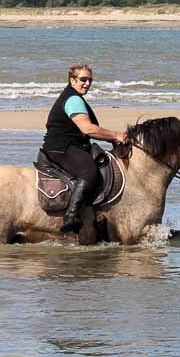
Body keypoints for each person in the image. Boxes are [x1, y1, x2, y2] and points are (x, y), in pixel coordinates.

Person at [41, 64, 128, 233]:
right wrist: (116, 135)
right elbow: (88, 129)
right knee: (89, 171)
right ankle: (71, 216)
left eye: (90, 80)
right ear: (72, 80)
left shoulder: (75, 97)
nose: (87, 83)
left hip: (70, 145)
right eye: (83, 79)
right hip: (62, 148)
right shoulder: (73, 99)